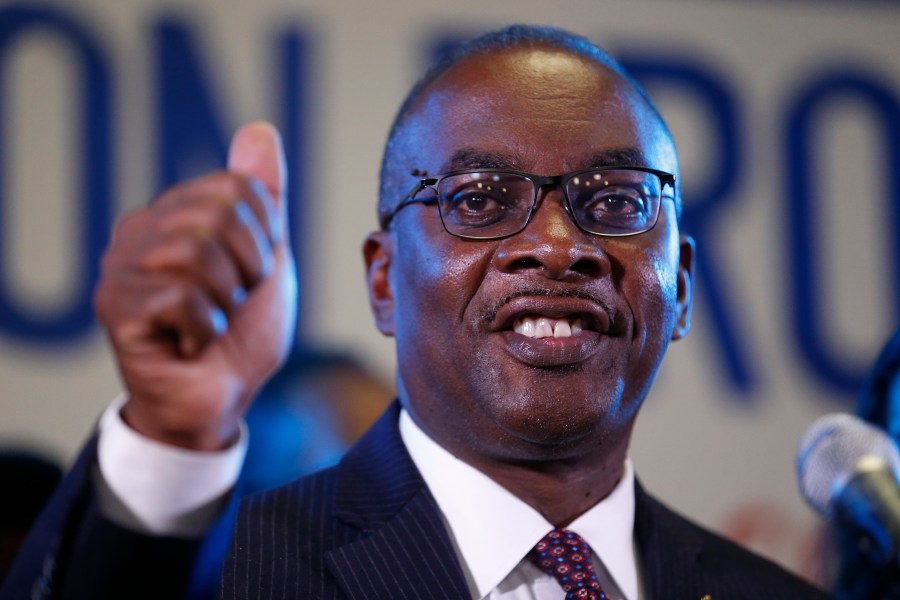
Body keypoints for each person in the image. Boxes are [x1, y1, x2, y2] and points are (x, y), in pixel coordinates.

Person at [0, 25, 831, 600]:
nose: (555, 243)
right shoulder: (238, 571)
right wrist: (171, 439)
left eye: (614, 201)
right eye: (479, 198)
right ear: (385, 281)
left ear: (680, 285)